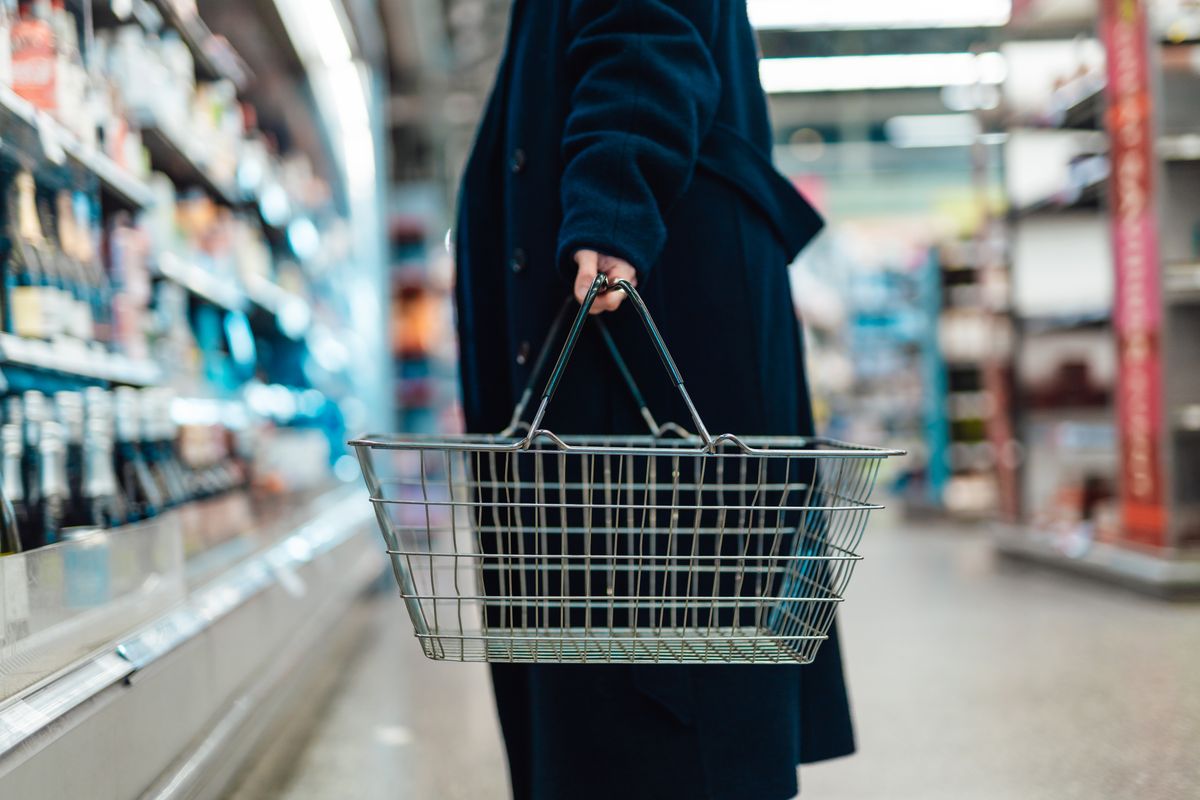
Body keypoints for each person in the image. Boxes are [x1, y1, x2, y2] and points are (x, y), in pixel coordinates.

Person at [454, 2, 850, 798]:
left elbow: (642, 28)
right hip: (641, 323)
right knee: (632, 674)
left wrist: (613, 197)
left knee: (659, 687)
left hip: (642, 320)